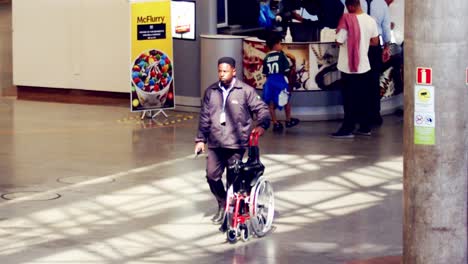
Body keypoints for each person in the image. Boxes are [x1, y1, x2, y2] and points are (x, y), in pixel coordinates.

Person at [194, 57, 271, 229]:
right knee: (211, 175)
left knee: (232, 179)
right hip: (215, 143)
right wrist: (200, 140)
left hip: (236, 144)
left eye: (225, 71)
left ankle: (231, 213)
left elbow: (262, 110)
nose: (222, 74)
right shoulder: (211, 92)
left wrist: (262, 126)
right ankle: (222, 203)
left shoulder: (245, 91)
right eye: (219, 71)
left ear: (234, 71)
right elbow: (205, 118)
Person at [332, 0, 379, 138]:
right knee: (363, 97)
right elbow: (375, 42)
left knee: (349, 99)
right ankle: (365, 127)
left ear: (351, 6)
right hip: (364, 65)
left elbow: (339, 41)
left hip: (348, 66)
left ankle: (347, 128)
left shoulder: (346, 19)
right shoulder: (371, 20)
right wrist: (361, 43)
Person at [360, 0, 392, 126]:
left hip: (363, 45)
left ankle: (367, 114)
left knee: (366, 80)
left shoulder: (357, 2)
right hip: (372, 46)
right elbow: (385, 27)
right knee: (372, 80)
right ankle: (374, 115)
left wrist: (386, 47)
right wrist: (386, 46)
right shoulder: (381, 3)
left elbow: (386, 26)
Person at [262, 33, 300, 132]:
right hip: (280, 81)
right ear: (275, 45)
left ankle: (275, 123)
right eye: (280, 43)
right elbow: (287, 70)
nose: (281, 45)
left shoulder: (266, 58)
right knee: (286, 101)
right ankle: (288, 120)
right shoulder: (281, 56)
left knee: (271, 104)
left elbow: (265, 73)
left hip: (270, 82)